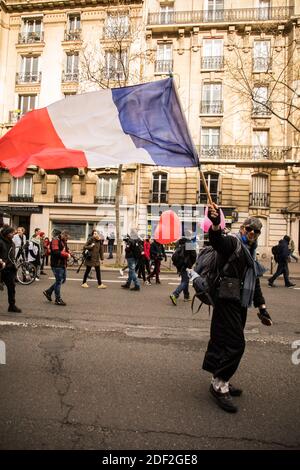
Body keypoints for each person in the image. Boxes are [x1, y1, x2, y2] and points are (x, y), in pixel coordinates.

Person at [189, 206, 272, 413]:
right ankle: (220, 385)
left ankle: (217, 377)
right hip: (226, 300)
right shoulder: (234, 243)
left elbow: (254, 283)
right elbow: (218, 242)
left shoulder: (250, 254)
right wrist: (215, 224)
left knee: (222, 340)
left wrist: (262, 308)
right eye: (249, 229)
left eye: (256, 231)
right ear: (242, 228)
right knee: (236, 344)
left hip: (238, 302)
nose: (251, 233)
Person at [43, 230, 70, 306]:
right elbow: (56, 252)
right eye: (66, 237)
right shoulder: (55, 240)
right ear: (63, 235)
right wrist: (66, 255)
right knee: (59, 281)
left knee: (62, 280)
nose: (67, 239)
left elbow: (66, 249)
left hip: (62, 264)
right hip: (56, 265)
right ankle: (58, 299)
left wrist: (70, 253)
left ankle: (48, 291)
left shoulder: (63, 241)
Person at [170, 230, 197, 305]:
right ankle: (175, 294)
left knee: (185, 280)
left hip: (179, 265)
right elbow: (194, 255)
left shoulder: (178, 242)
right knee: (185, 281)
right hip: (186, 265)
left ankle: (186, 296)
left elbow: (175, 254)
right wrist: (190, 264)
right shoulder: (189, 243)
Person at [0, 225, 22, 313]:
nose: (14, 234)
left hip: (9, 269)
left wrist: (14, 264)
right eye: (12, 233)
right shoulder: (0, 242)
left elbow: (12, 255)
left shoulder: (11, 242)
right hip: (1, 269)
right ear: (7, 233)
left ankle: (12, 306)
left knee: (11, 287)